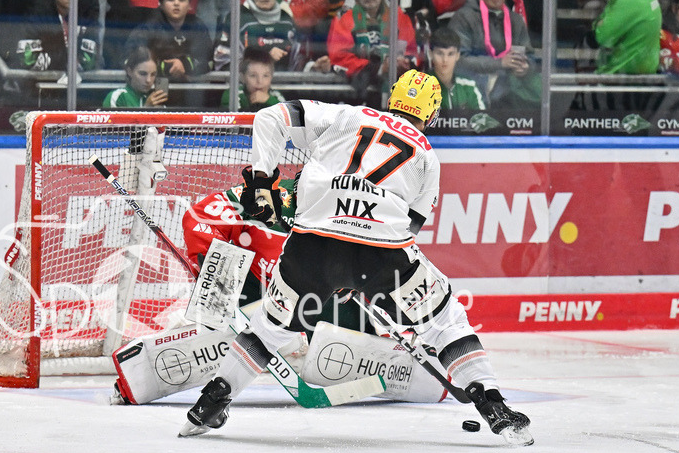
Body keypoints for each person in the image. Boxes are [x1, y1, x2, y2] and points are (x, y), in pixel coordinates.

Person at [179, 70, 531, 442]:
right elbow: (408, 230)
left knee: (270, 327)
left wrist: (263, 182)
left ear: (391, 98)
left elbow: (270, 117)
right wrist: (364, 278)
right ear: (431, 116)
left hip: (312, 246)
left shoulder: (347, 115)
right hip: (381, 255)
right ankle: (493, 404)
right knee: (445, 322)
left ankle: (210, 403)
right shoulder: (427, 155)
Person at [111, 157, 450, 407]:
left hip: (318, 298)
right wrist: (212, 262)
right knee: (223, 324)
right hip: (256, 294)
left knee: (357, 321)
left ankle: (407, 364)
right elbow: (200, 214)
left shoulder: (352, 218)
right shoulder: (268, 201)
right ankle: (152, 373)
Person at [447, 0, 539, 107]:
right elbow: (458, 60)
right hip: (470, 89)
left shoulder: (516, 20)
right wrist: (500, 63)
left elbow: (531, 57)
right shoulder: (463, 17)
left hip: (506, 92)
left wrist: (525, 67)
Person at [327, 0, 419, 103]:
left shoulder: (400, 17)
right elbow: (339, 58)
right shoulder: (344, 19)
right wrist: (379, 68)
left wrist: (403, 63)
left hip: (398, 93)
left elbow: (412, 53)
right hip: (357, 95)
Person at [214, 0, 303, 72]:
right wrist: (265, 60)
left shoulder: (287, 20)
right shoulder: (236, 19)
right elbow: (222, 63)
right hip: (244, 87)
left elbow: (298, 62)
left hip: (283, 86)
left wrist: (314, 67)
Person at [124, 0, 213, 82]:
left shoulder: (198, 27)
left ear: (189, 5)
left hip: (189, 92)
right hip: (152, 87)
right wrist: (165, 67)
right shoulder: (149, 27)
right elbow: (128, 59)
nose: (176, 3)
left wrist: (184, 65)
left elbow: (209, 61)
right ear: (161, 5)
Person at [425, 27, 485, 110]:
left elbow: (482, 120)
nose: (445, 60)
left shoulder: (469, 85)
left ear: (457, 55)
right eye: (440, 53)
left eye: (450, 54)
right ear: (430, 54)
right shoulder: (420, 87)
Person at [220, 47, 286, 111]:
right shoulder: (232, 94)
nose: (260, 81)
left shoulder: (275, 95)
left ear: (271, 77)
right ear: (243, 77)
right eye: (253, 76)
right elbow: (237, 120)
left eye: (265, 76)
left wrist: (268, 100)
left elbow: (287, 115)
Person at [102, 46, 168, 107]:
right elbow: (112, 120)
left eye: (153, 74)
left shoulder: (156, 101)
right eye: (142, 74)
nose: (148, 80)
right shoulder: (118, 97)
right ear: (129, 71)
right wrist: (147, 108)